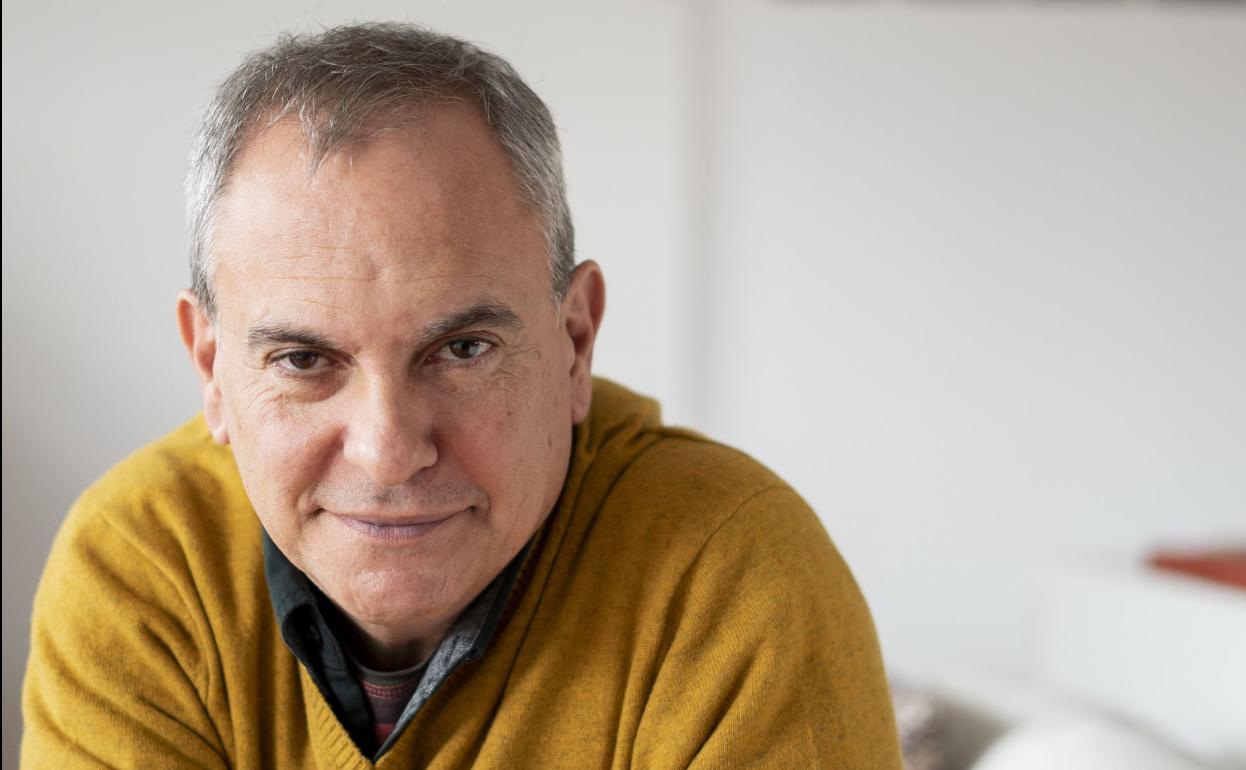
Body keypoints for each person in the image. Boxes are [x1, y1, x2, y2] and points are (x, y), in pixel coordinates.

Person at [21, 23, 901, 769]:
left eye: (462, 349)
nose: (388, 451)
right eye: (303, 359)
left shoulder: (736, 585)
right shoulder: (145, 564)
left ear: (574, 341)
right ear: (212, 369)